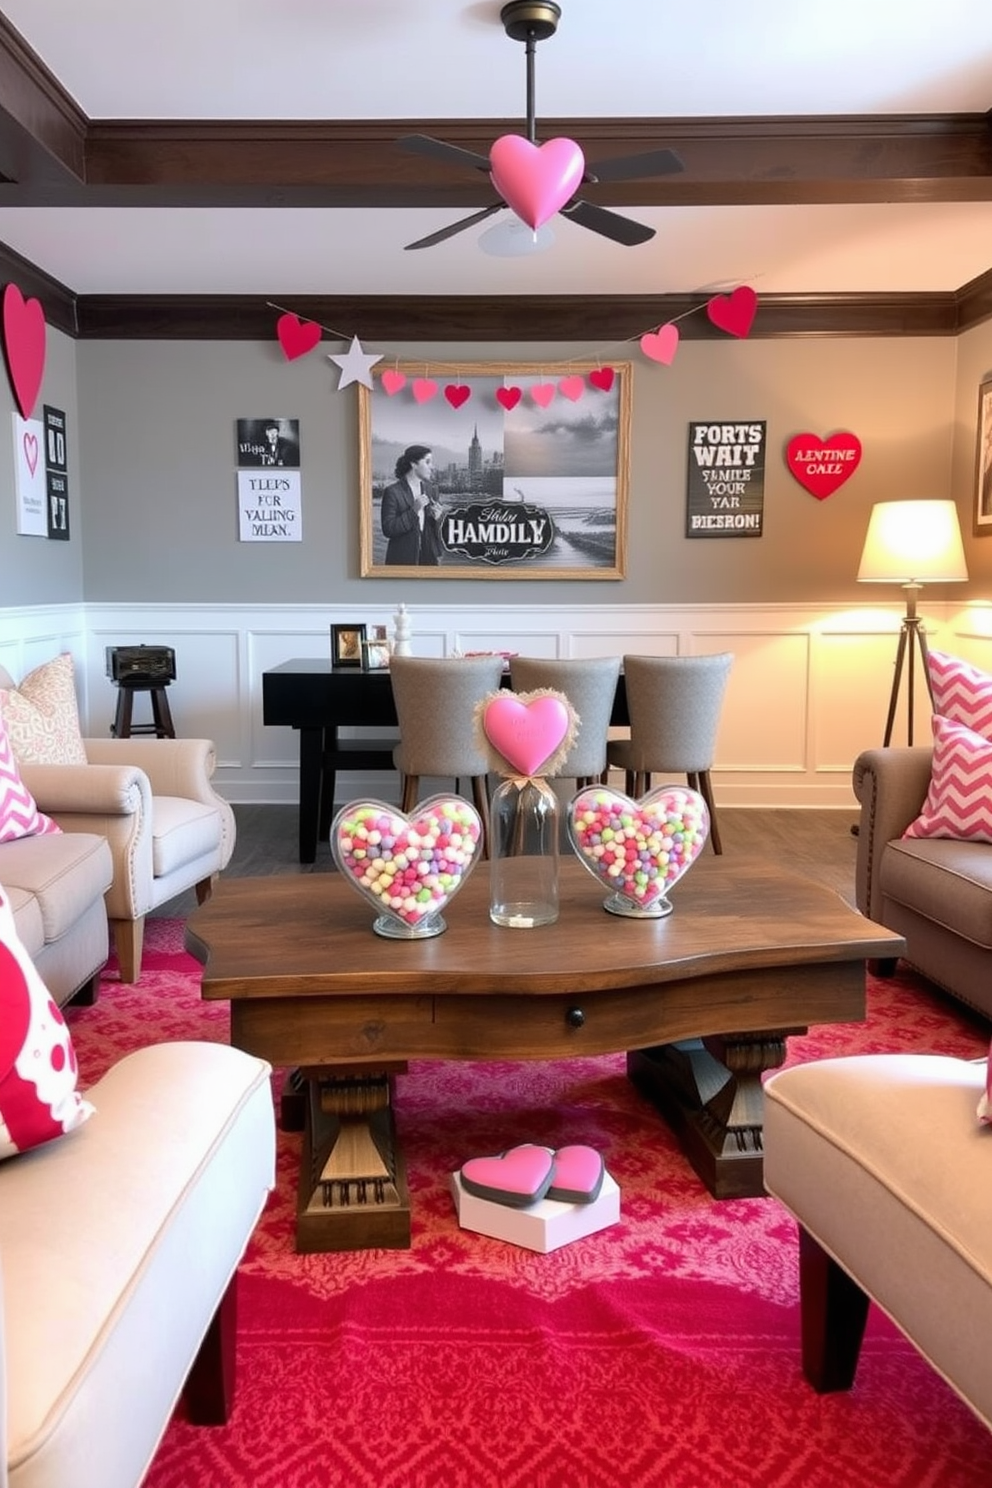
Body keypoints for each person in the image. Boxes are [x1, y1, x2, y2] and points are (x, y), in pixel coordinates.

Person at [380, 445, 443, 565]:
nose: (432, 467)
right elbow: (388, 529)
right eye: (427, 462)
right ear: (413, 464)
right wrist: (414, 510)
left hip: (429, 559)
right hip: (402, 560)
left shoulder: (431, 489)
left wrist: (438, 518)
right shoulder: (393, 492)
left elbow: (436, 530)